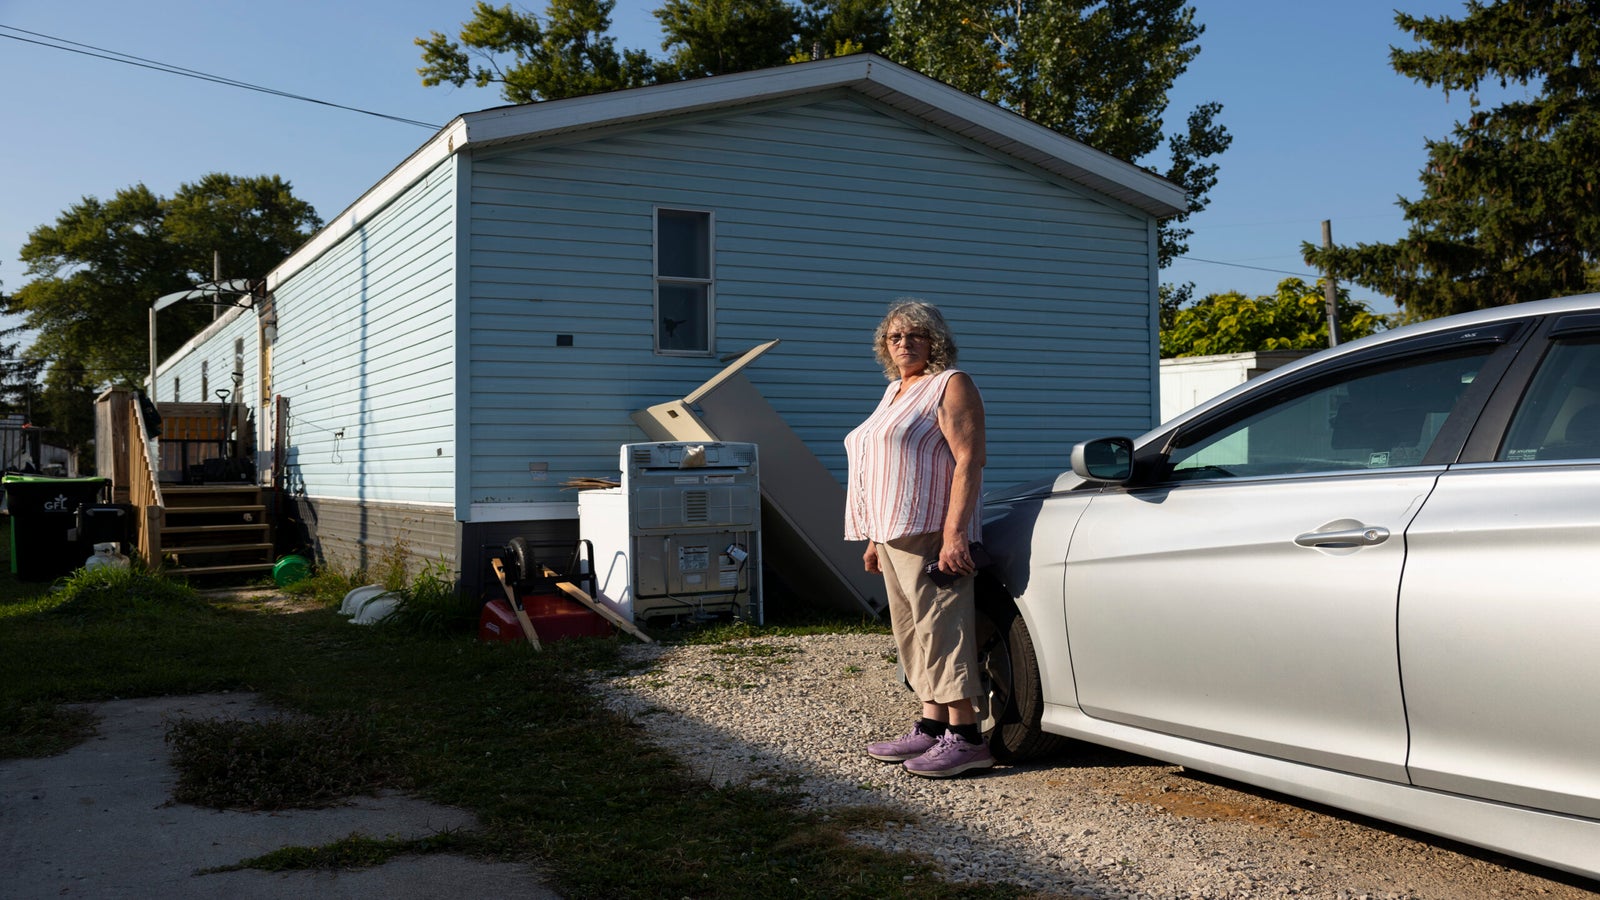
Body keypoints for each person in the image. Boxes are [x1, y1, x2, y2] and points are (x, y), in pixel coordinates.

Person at [844, 298, 992, 778]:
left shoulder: (950, 384)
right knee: (909, 632)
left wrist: (955, 536)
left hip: (930, 528)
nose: (904, 343)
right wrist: (871, 537)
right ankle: (931, 725)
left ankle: (967, 736)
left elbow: (969, 459)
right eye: (895, 337)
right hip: (890, 532)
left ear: (936, 341)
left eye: (915, 335)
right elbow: (879, 465)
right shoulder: (893, 392)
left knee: (942, 630)